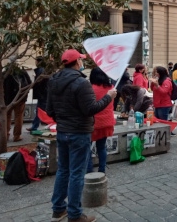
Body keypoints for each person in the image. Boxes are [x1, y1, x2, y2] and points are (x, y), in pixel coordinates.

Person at [47, 49, 116, 222]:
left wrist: (63, 121)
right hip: (78, 133)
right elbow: (90, 109)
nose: (82, 63)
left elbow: (49, 110)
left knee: (63, 170)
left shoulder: (54, 81)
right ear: (77, 62)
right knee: (76, 174)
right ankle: (75, 214)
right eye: (81, 60)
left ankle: (58, 209)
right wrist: (108, 97)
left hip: (63, 131)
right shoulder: (81, 83)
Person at [87, 67, 115, 174]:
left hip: (93, 124)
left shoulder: (90, 88)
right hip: (107, 123)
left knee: (87, 148)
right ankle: (102, 170)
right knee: (102, 147)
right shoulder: (111, 88)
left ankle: (89, 171)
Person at [4, 63, 32, 141]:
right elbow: (29, 83)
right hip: (20, 98)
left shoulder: (5, 73)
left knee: (6, 116)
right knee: (18, 116)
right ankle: (16, 136)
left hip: (7, 99)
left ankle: (5, 134)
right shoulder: (22, 72)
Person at [28, 56, 48, 132]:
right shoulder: (43, 70)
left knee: (39, 110)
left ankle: (35, 126)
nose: (35, 62)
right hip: (43, 94)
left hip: (42, 94)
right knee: (39, 110)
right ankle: (34, 125)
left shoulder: (41, 71)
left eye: (36, 61)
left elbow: (39, 83)